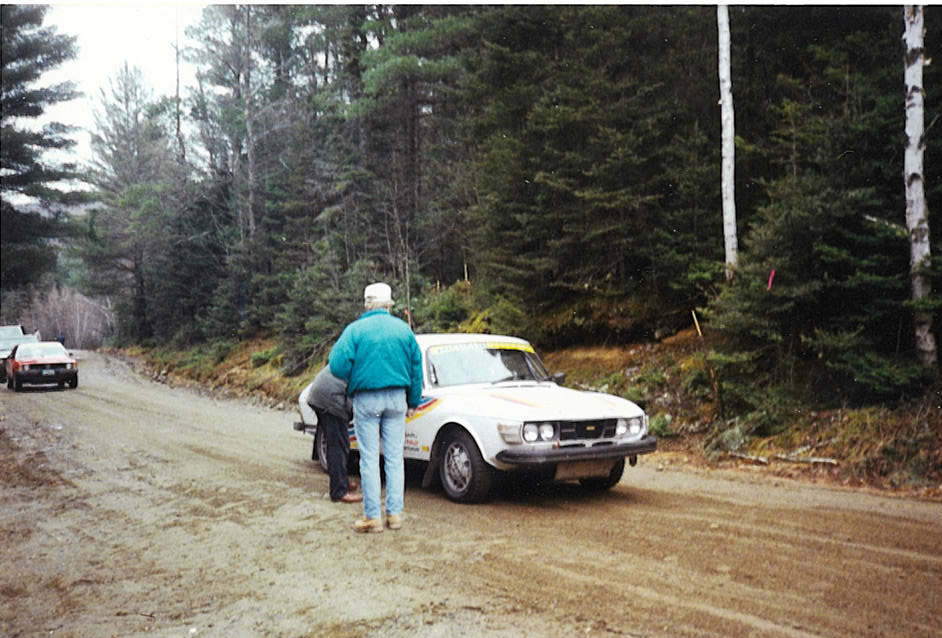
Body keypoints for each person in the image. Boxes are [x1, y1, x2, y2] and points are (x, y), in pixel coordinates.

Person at [328, 282, 423, 533]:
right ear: (389, 305)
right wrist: (413, 401)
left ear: (367, 304)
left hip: (367, 399)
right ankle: (395, 515)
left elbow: (337, 365)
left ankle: (373, 517)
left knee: (369, 459)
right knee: (394, 459)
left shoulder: (355, 330)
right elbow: (416, 368)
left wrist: (355, 374)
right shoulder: (404, 330)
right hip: (397, 399)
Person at [306, 365, 361, 503]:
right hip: (330, 398)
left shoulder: (359, 356)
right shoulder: (367, 363)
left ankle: (342, 482)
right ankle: (339, 492)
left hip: (321, 392)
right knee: (338, 446)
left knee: (338, 443)